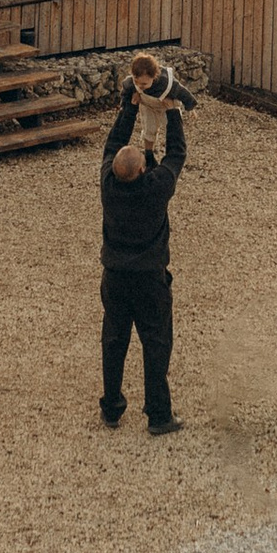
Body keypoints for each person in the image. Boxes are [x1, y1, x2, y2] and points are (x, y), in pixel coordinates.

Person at [98, 73, 185, 435]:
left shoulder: (108, 183)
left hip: (115, 277)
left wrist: (128, 108)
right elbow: (177, 154)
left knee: (114, 341)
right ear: (144, 170)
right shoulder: (157, 187)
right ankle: (159, 415)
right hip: (149, 277)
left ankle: (112, 409)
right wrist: (173, 111)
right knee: (156, 343)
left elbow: (112, 143)